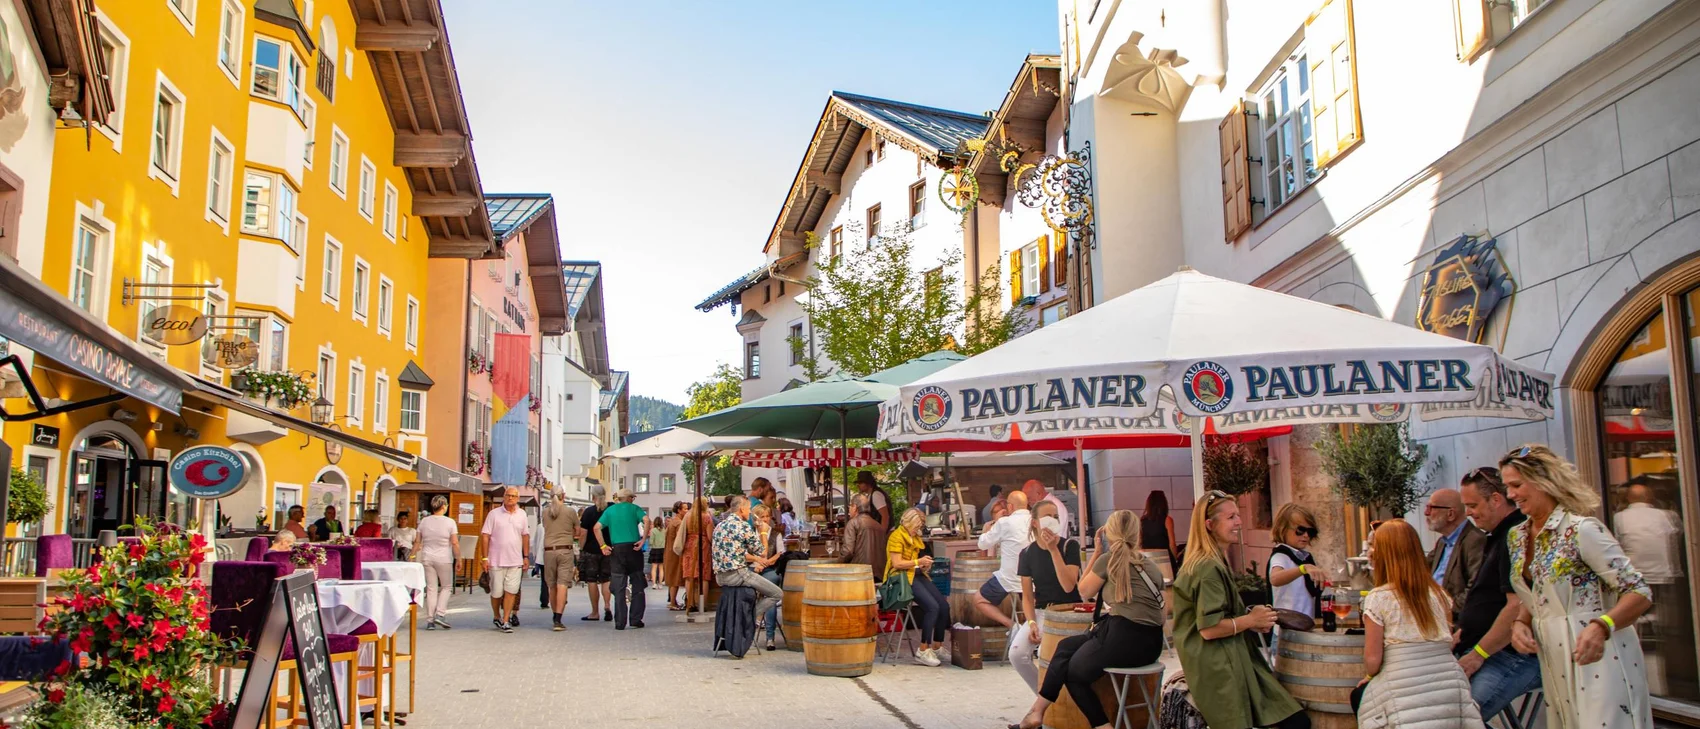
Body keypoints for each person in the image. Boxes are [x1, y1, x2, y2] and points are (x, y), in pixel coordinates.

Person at [1502, 444, 1654, 728]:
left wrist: (1602, 626)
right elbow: (1537, 593)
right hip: (1554, 659)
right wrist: (1520, 623)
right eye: (1507, 486)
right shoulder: (1516, 536)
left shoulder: (1582, 529)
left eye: (1516, 485)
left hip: (1599, 658)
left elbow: (1639, 591)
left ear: (1543, 481)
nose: (1510, 494)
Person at [1011, 510, 1165, 729]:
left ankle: (1102, 726)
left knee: (1073, 673)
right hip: (1152, 644)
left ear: (1109, 533)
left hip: (1121, 639)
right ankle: (1037, 711)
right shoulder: (1151, 567)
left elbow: (1082, 591)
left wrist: (1098, 553)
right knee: (1066, 646)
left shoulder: (1108, 560)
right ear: (1137, 534)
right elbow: (1163, 613)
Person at [1173, 490, 1308, 729]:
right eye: (1231, 517)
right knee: (1294, 722)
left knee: (1293, 720)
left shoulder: (1212, 561)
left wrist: (1252, 618)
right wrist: (1250, 620)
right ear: (1209, 525)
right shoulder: (1207, 568)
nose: (1239, 522)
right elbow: (1209, 629)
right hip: (1220, 668)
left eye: (1237, 515)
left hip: (1233, 659)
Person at [1355, 519, 1481, 727]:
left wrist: (1369, 676)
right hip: (1449, 686)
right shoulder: (1439, 595)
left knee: (1361, 698)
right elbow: (1447, 641)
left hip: (1401, 688)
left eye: (1373, 546)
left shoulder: (1378, 598)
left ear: (1383, 555)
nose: (1370, 552)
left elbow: (1373, 660)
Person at [1452, 466, 1541, 721]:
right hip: (1483, 650)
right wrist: (1463, 630)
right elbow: (1488, 597)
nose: (1468, 513)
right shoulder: (1498, 535)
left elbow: (1516, 605)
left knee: (1460, 720)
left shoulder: (1516, 535)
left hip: (1509, 655)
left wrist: (1478, 655)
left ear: (1496, 499)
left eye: (1472, 505)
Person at [1010, 500, 1081, 691]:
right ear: (1035, 522)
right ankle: (1044, 696)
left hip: (1068, 610)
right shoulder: (1027, 553)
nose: (1053, 520)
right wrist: (1031, 622)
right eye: (1047, 517)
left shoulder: (1069, 546)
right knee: (1017, 654)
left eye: (1056, 517)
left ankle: (1052, 699)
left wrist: (1053, 550)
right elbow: (1027, 596)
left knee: (1045, 653)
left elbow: (1068, 586)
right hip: (1042, 611)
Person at [712, 495, 783, 640]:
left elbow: (737, 552)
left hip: (720, 578)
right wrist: (763, 532)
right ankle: (749, 617)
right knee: (777, 594)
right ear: (741, 509)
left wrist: (756, 559)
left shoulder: (719, 526)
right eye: (748, 509)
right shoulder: (743, 526)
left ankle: (742, 617)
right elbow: (763, 552)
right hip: (739, 575)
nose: (750, 512)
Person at [887, 507, 946, 666]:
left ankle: (937, 646)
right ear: (908, 523)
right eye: (917, 526)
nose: (918, 529)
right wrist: (918, 562)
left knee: (943, 606)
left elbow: (914, 564)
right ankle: (923, 650)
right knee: (932, 607)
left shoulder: (914, 537)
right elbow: (897, 563)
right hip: (900, 578)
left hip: (915, 574)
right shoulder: (896, 536)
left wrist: (924, 566)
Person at [1424, 488, 1485, 622]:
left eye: (1431, 508)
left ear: (1450, 514)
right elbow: (1420, 570)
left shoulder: (1474, 540)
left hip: (1456, 621)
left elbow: (1475, 589)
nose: (1426, 513)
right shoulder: (1442, 542)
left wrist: (1444, 610)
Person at [1266, 502, 1321, 648]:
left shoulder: (1303, 557)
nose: (1305, 535)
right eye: (1300, 530)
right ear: (1283, 529)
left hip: (1304, 630)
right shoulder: (1281, 556)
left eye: (1310, 532)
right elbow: (1275, 578)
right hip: (1287, 633)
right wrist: (1302, 569)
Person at [974, 490, 1031, 628]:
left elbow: (982, 544)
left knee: (979, 600)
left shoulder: (1005, 523)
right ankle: (1026, 628)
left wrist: (995, 523)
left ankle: (1013, 626)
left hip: (1011, 579)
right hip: (1035, 580)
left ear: (1010, 506)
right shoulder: (1036, 521)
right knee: (1033, 608)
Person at [595, 488, 650, 630]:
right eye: (633, 497)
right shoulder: (635, 508)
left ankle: (620, 621)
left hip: (617, 550)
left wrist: (603, 546)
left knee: (619, 586)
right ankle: (636, 619)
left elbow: (596, 528)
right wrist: (643, 539)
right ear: (629, 498)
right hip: (633, 548)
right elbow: (646, 520)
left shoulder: (610, 511)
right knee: (637, 583)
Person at [479, 486, 531, 633]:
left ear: (518, 498)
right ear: (504, 497)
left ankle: (506, 620)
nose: (510, 498)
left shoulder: (522, 515)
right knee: (496, 592)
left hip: (515, 560)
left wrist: (526, 556)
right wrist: (484, 557)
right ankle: (497, 616)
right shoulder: (494, 514)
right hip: (496, 560)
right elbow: (485, 535)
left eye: (513, 496)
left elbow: (525, 536)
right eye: (508, 495)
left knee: (511, 591)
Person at [538, 491, 579, 631]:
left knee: (552, 585)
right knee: (562, 584)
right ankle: (558, 619)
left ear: (550, 496)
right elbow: (578, 531)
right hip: (565, 550)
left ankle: (554, 614)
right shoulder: (570, 511)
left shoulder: (545, 512)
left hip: (549, 551)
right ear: (564, 496)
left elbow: (546, 528)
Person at [418, 496, 459, 630]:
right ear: (444, 506)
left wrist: (412, 556)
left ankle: (430, 621)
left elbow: (418, 541)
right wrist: (459, 558)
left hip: (427, 557)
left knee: (431, 588)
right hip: (444, 558)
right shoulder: (450, 522)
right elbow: (454, 542)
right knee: (447, 587)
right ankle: (440, 614)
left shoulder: (424, 521)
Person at [577, 484, 613, 622]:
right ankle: (607, 606)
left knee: (591, 580)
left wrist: (581, 549)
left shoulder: (588, 512)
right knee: (606, 579)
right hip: (608, 549)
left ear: (593, 496)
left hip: (591, 551)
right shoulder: (611, 509)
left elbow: (583, 533)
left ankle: (595, 612)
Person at [830, 493, 887, 579]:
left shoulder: (853, 523)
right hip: (879, 576)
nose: (849, 509)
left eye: (850, 506)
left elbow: (848, 551)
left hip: (859, 574)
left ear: (855, 507)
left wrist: (837, 565)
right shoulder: (879, 526)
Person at [753, 504, 786, 650]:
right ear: (756, 519)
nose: (765, 519)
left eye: (767, 516)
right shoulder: (751, 533)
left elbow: (780, 553)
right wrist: (757, 563)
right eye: (762, 517)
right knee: (766, 593)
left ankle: (770, 637)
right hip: (753, 568)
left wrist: (766, 562)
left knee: (770, 592)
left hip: (770, 569)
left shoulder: (775, 534)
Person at [681, 496, 716, 613]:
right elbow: (710, 536)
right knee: (704, 577)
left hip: (689, 545)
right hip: (703, 546)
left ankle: (690, 603)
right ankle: (703, 604)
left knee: (689, 576)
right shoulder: (707, 517)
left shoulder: (688, 516)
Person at [1139, 490, 1177, 571]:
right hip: (1165, 559)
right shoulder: (1167, 520)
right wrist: (1175, 559)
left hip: (1148, 559)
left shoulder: (1142, 521)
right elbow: (1172, 544)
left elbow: (1139, 542)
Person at [663, 502, 687, 610]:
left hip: (669, 552)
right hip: (675, 554)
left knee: (672, 576)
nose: (687, 511)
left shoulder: (673, 521)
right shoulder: (679, 523)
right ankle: (673, 602)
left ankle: (673, 601)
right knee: (675, 577)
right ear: (679, 510)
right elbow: (680, 539)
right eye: (685, 509)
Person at [648, 516, 667, 587]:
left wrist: (651, 544)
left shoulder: (653, 530)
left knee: (654, 568)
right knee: (661, 568)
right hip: (663, 550)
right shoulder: (664, 530)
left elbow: (651, 541)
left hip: (655, 550)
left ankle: (654, 584)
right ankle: (660, 583)